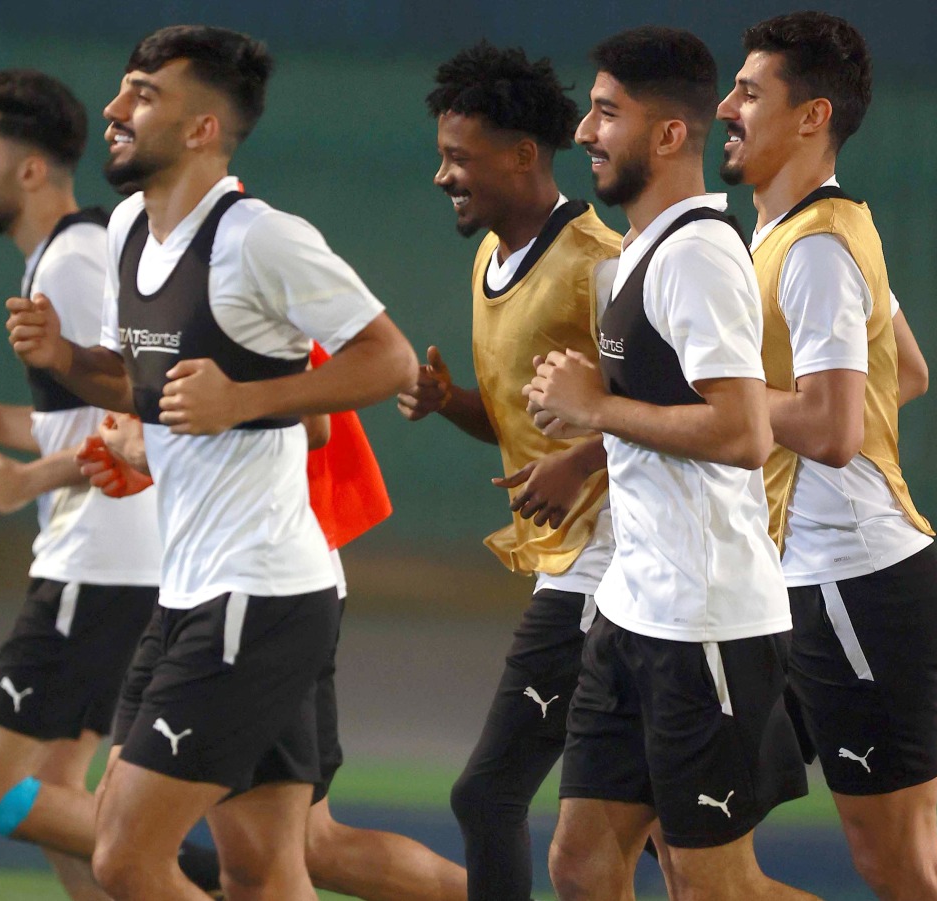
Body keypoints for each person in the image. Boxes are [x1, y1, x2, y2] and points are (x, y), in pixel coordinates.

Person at [6, 25, 417, 901]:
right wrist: (66, 359)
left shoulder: (260, 238)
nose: (115, 110)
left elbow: (390, 361)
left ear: (201, 129)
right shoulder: (125, 230)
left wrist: (246, 400)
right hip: (193, 592)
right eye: (122, 90)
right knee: (264, 872)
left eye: (143, 94)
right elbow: (140, 385)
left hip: (257, 594)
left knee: (123, 856)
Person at [526, 27, 815, 901]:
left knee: (710, 882)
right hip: (632, 611)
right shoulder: (638, 254)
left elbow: (741, 433)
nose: (583, 131)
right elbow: (669, 409)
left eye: (607, 112)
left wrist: (596, 409)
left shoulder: (696, 255)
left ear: (667, 136)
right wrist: (589, 452)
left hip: (706, 626)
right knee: (581, 865)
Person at [717, 12, 937, 900]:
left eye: (750, 92)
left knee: (902, 865)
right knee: (688, 829)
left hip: (855, 584)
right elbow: (905, 370)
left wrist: (716, 408)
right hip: (797, 586)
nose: (725, 107)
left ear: (811, 116)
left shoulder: (818, 248)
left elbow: (832, 430)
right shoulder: (799, 231)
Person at [0, 69, 161, 901]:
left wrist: (32, 481)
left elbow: (139, 418)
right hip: (114, 565)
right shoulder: (60, 257)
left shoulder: (76, 264)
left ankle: (224, 871)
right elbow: (70, 420)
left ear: (27, 170)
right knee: (58, 798)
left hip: (100, 564)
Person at [80, 358, 468, 901]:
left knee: (134, 855)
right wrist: (150, 462)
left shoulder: (240, 283)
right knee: (293, 853)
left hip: (260, 590)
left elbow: (318, 417)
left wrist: (148, 453)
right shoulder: (150, 287)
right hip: (194, 590)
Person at [397, 41, 619, 901]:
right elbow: (526, 424)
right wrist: (454, 399)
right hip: (570, 566)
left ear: (524, 154)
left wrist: (581, 461)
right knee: (647, 836)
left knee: (488, 795)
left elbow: (679, 415)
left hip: (611, 564)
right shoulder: (489, 257)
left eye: (459, 157)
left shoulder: (599, 263)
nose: (442, 175)